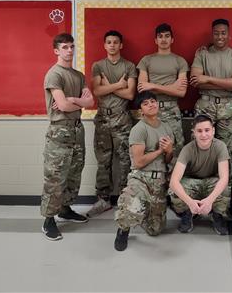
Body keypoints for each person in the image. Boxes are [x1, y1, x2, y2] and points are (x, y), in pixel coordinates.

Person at [41, 33, 94, 241]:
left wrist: (73, 99)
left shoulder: (78, 75)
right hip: (59, 131)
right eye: (65, 47)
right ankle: (48, 219)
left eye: (71, 47)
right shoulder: (54, 75)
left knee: (74, 172)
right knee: (55, 177)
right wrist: (78, 101)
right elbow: (61, 107)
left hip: (77, 129)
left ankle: (65, 208)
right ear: (56, 50)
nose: (69, 50)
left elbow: (90, 103)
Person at [114, 91, 174, 251]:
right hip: (140, 178)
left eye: (153, 101)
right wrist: (160, 151)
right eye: (145, 103)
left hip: (159, 180)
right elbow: (139, 162)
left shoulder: (167, 127)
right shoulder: (139, 129)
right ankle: (123, 230)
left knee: (155, 230)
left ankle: (145, 210)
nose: (151, 105)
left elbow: (168, 160)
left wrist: (169, 151)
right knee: (130, 208)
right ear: (141, 110)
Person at [87, 30, 137, 217]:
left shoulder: (129, 66)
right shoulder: (98, 66)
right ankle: (103, 199)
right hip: (102, 119)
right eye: (109, 42)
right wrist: (118, 85)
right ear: (104, 45)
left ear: (121, 45)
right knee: (103, 161)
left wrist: (108, 86)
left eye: (116, 42)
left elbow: (130, 94)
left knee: (125, 160)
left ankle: (125, 198)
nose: (112, 45)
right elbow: (97, 91)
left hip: (122, 118)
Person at [190, 18, 232, 171]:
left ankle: (226, 187)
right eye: (216, 33)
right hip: (205, 105)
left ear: (229, 35)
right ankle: (203, 183)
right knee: (201, 146)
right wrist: (226, 83)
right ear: (212, 35)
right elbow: (195, 81)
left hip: (228, 107)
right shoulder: (202, 55)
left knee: (227, 150)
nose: (220, 37)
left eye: (223, 33)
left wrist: (208, 78)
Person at [169, 114, 230, 235]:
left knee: (225, 188)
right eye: (199, 131)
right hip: (192, 181)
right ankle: (187, 213)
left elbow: (224, 178)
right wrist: (190, 202)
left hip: (211, 181)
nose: (203, 135)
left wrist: (209, 201)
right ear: (194, 133)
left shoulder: (220, 146)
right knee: (173, 191)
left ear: (213, 131)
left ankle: (217, 214)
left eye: (207, 130)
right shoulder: (187, 149)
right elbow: (173, 182)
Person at [137, 23, 188, 164]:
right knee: (152, 145)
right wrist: (172, 87)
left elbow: (182, 92)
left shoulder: (180, 61)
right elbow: (142, 88)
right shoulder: (146, 60)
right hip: (152, 109)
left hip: (172, 110)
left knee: (175, 147)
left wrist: (152, 85)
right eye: (160, 37)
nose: (163, 39)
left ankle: (173, 183)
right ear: (155, 40)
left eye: (167, 36)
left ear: (172, 39)